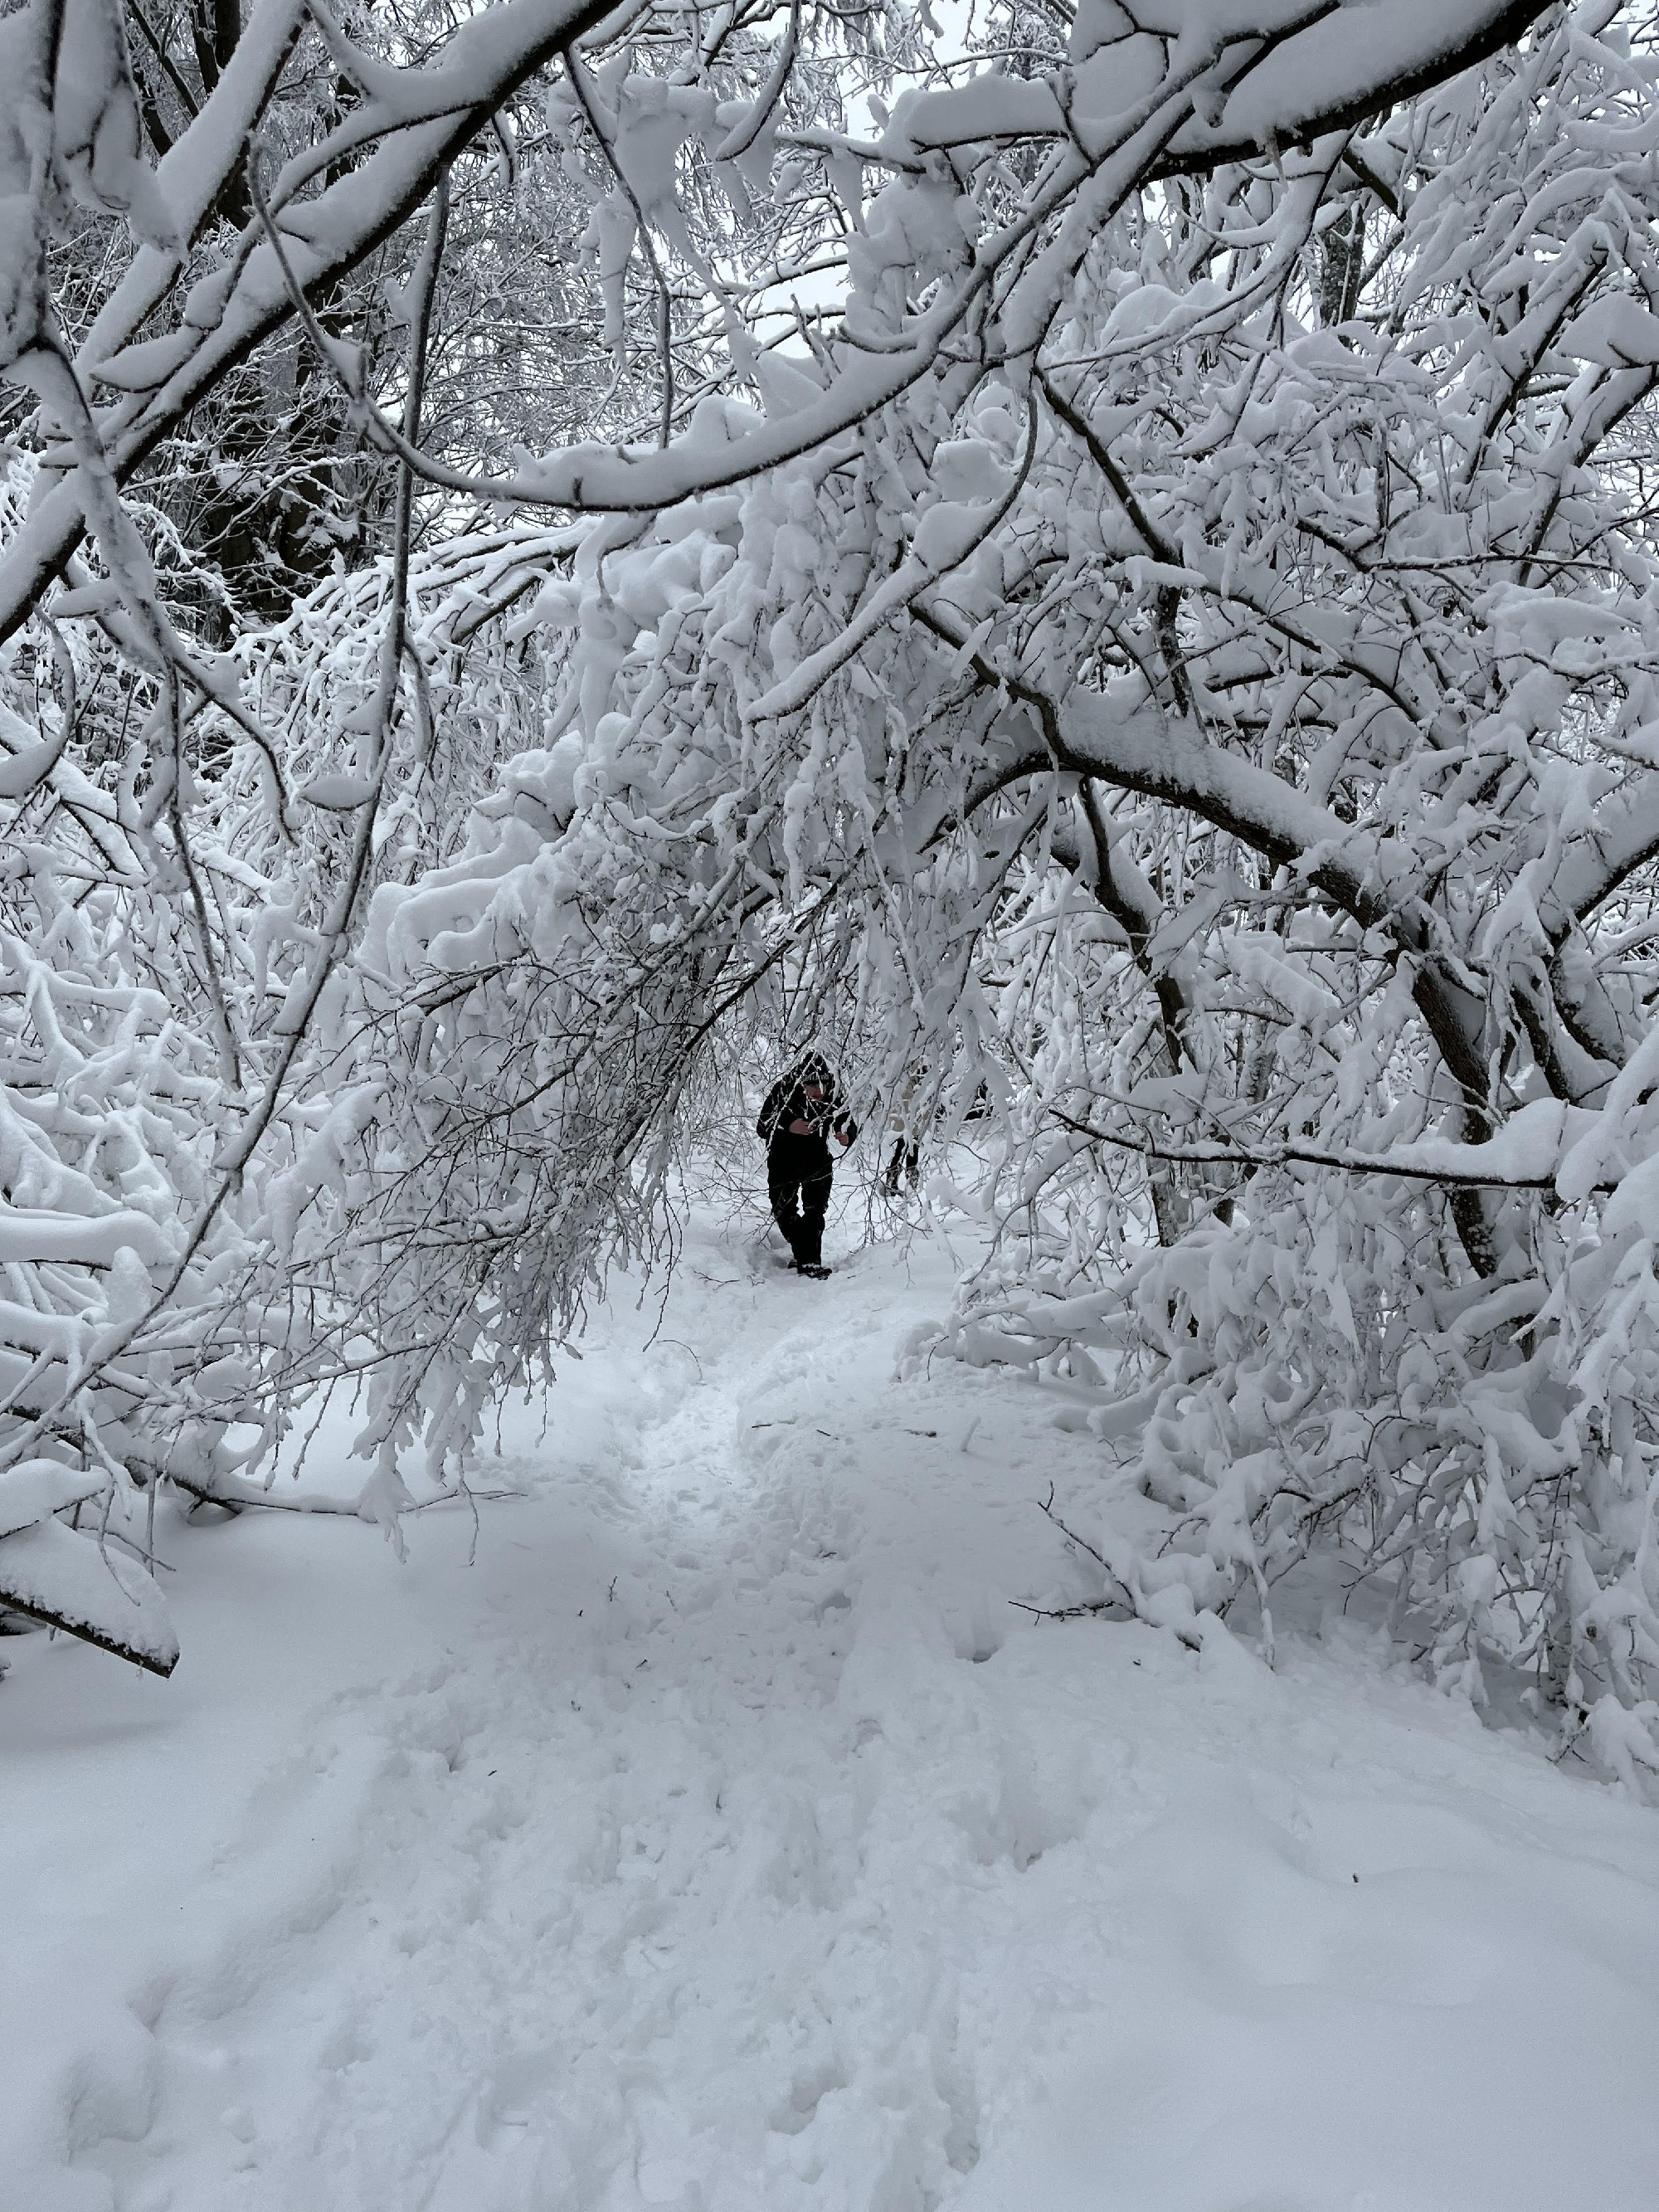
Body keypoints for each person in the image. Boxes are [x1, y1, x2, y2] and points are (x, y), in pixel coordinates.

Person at [757, 1052, 857, 1278]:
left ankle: (810, 1263)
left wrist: (847, 1135)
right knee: (783, 1210)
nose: (819, 1092)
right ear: (802, 1082)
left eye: (824, 1085)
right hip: (783, 1159)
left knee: (815, 1211)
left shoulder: (832, 1092)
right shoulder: (784, 1090)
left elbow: (846, 1119)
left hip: (817, 1159)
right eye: (813, 1086)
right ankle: (803, 1251)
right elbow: (763, 1125)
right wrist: (789, 1125)